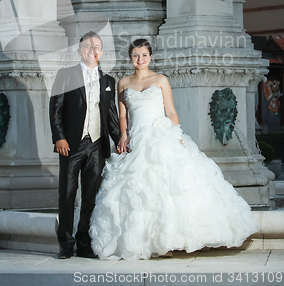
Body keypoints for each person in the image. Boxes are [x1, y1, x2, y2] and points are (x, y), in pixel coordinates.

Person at [89, 39, 259, 260]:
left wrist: (176, 135)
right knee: (139, 189)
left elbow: (170, 111)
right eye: (135, 56)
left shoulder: (161, 79)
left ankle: (172, 239)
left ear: (150, 57)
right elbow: (123, 114)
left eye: (144, 55)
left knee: (169, 184)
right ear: (130, 58)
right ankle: (150, 241)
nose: (140, 60)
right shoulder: (123, 82)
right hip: (136, 137)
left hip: (161, 134)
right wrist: (123, 135)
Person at [49, 32, 120, 259]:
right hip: (71, 144)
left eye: (96, 46)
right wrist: (58, 137)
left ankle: (84, 242)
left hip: (97, 146)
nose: (92, 49)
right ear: (79, 50)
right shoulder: (66, 75)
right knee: (67, 193)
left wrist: (120, 141)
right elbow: (56, 108)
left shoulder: (109, 81)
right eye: (87, 46)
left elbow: (111, 116)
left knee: (91, 196)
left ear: (101, 51)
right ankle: (66, 243)